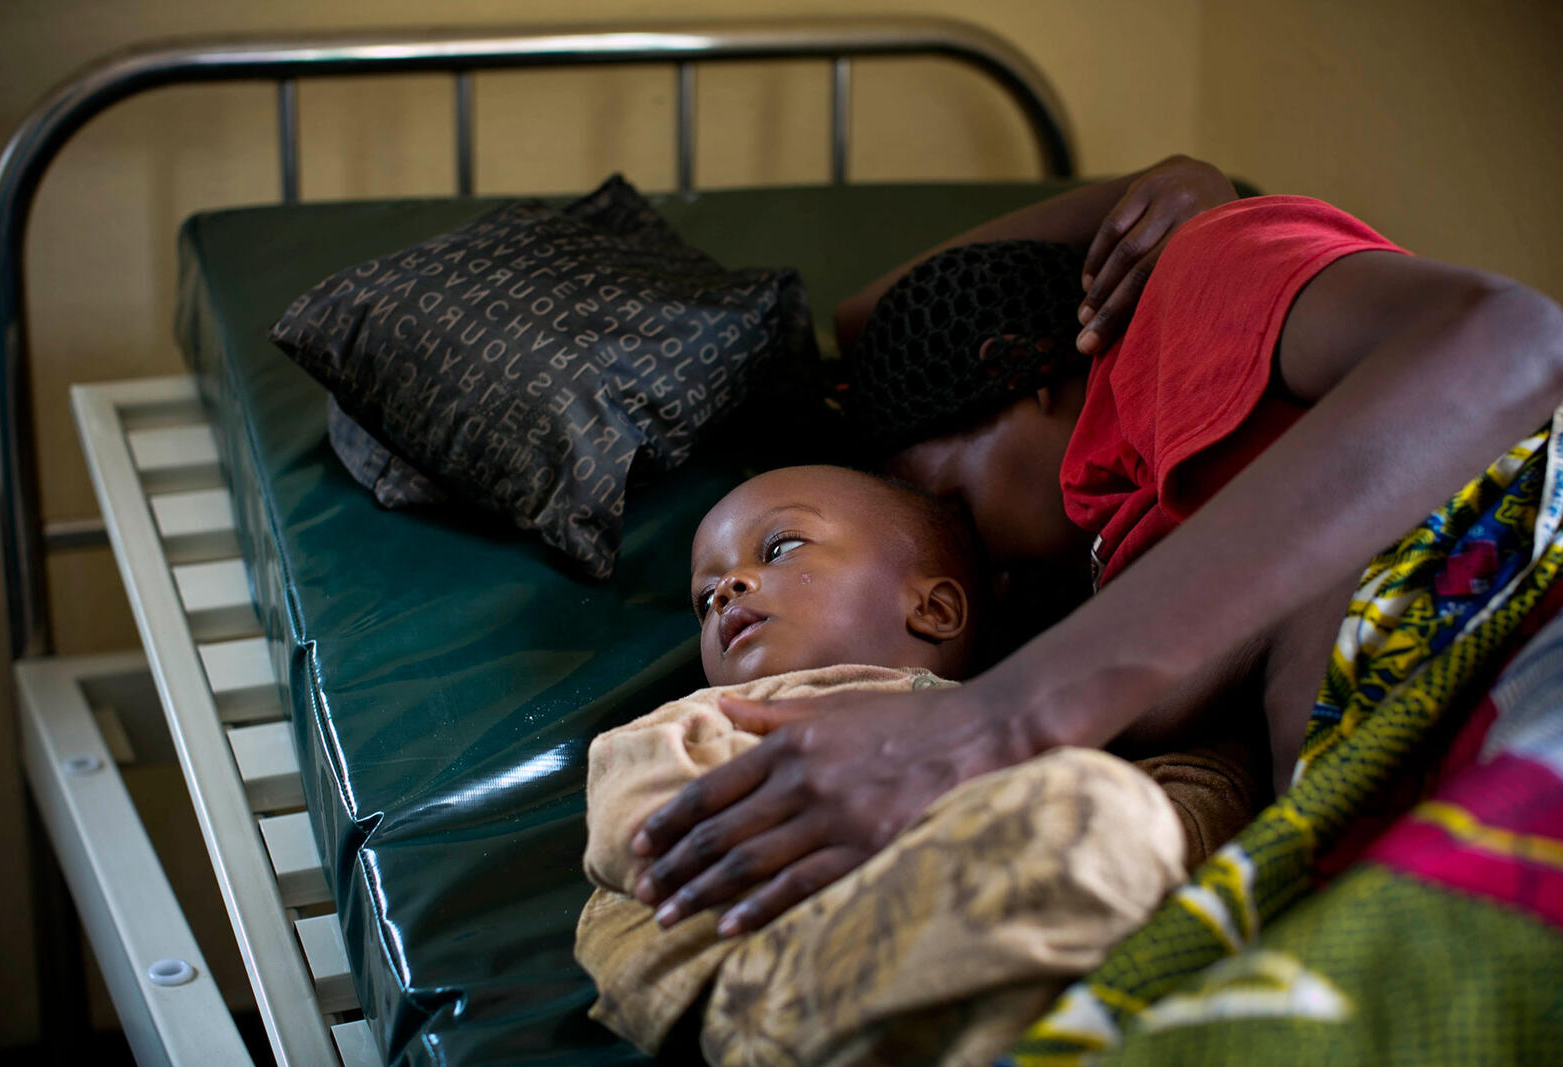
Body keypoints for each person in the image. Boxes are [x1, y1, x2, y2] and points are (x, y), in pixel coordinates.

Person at [624, 153, 1563, 953]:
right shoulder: (1123, 566)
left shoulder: (1189, 291)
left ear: (1017, 370)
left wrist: (1161, 191)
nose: (978, 559)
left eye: (955, 505)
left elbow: (1509, 337)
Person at [576, 463, 1257, 1064]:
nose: (728, 589)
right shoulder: (719, 715)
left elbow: (1183, 816)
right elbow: (634, 815)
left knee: (1106, 815)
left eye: (779, 548)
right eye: (705, 599)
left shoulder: (1026, 729)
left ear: (931, 609)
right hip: (764, 967)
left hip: (968, 958)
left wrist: (1226, 751)